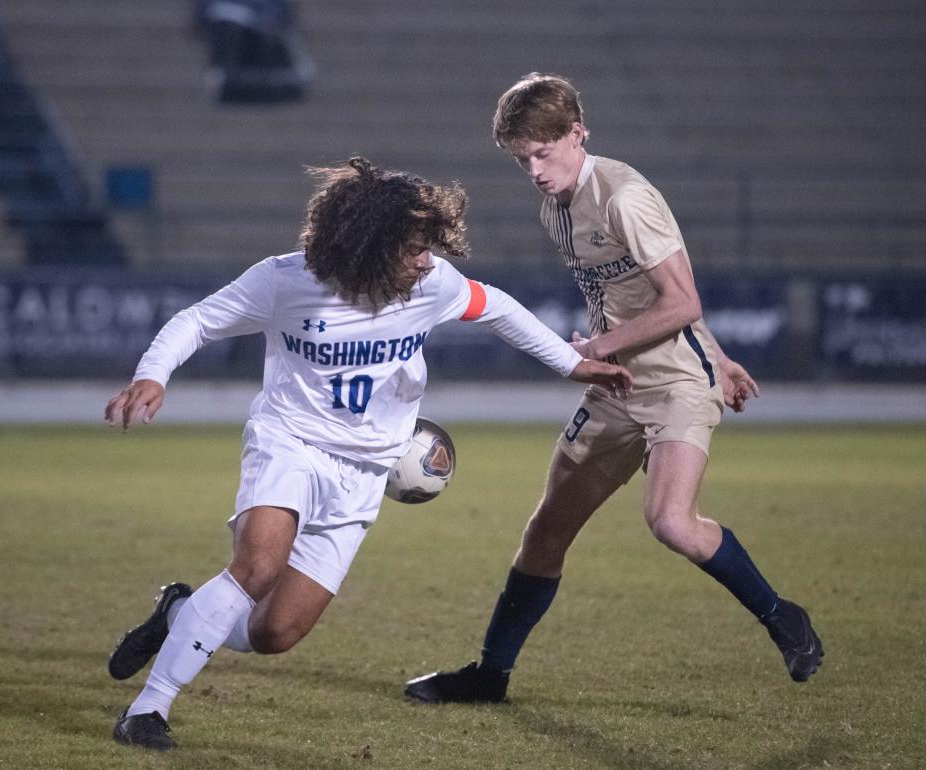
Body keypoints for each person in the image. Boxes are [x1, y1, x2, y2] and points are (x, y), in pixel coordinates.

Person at [104, 156, 633, 751]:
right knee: (256, 569)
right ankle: (147, 711)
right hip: (291, 443)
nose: (427, 260)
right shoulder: (286, 282)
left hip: (365, 472)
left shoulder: (432, 284)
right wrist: (153, 375)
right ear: (368, 244)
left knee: (276, 632)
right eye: (413, 248)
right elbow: (196, 321)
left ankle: (179, 613)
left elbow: (498, 309)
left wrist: (571, 364)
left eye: (430, 246)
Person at [404, 74, 823, 704]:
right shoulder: (555, 205)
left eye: (543, 153)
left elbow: (683, 300)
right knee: (545, 532)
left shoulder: (625, 197)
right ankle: (491, 674)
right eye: (523, 159)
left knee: (670, 522)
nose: (535, 171)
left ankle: (783, 617)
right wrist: (716, 352)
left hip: (677, 382)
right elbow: (651, 297)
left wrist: (621, 349)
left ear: (578, 133)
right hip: (615, 384)